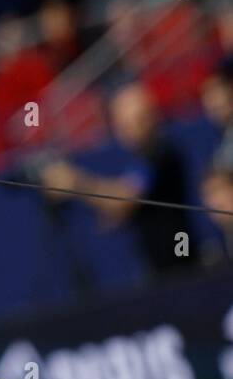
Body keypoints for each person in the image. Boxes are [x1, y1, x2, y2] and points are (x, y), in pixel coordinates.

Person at [41, 82, 194, 278]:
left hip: (181, 267)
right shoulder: (141, 158)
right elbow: (116, 212)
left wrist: (76, 182)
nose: (128, 129)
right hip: (156, 269)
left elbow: (125, 201)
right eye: (122, 123)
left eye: (137, 120)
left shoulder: (160, 152)